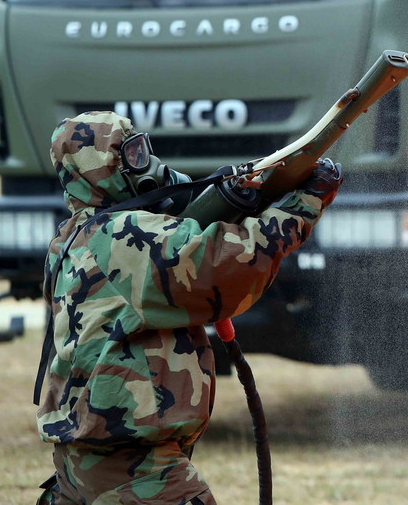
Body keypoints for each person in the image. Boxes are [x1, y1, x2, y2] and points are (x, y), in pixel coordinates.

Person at [35, 111, 342, 504]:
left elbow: (175, 231)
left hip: (83, 459)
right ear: (100, 166)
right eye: (128, 154)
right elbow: (228, 263)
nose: (143, 164)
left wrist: (235, 193)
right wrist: (305, 204)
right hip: (135, 470)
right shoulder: (124, 234)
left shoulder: (72, 236)